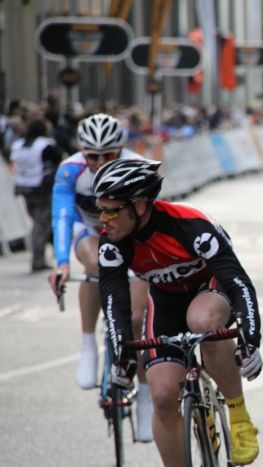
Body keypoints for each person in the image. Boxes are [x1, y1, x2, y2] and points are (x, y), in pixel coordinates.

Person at [92, 158, 263, 466]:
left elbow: (238, 283)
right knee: (162, 395)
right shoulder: (112, 243)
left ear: (141, 206)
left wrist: (251, 338)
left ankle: (238, 417)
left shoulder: (191, 225)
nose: (103, 219)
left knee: (201, 320)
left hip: (209, 287)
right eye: (100, 208)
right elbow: (115, 303)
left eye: (111, 209)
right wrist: (123, 356)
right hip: (166, 301)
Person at [47, 113, 153, 441]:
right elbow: (62, 216)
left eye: (109, 155)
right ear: (82, 152)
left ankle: (148, 397)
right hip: (89, 230)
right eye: (92, 155)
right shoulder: (70, 170)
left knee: (136, 318)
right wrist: (63, 263)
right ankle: (89, 346)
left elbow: (152, 220)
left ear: (121, 150)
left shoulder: (139, 166)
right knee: (94, 263)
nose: (100, 161)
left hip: (129, 233)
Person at [10, 117, 63, 272]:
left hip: (24, 188)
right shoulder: (45, 145)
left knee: (37, 223)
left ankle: (38, 258)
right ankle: (37, 260)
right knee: (40, 225)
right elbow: (57, 159)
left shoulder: (18, 145)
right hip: (40, 189)